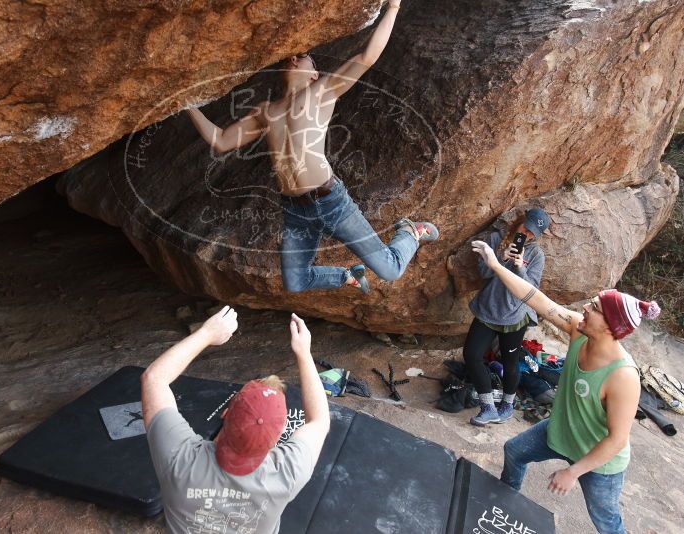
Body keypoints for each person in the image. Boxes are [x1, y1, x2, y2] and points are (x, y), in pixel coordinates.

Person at [186, 0, 438, 294]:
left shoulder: (321, 92)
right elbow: (220, 139)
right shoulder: (265, 111)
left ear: (314, 74)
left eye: (305, 56)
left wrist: (393, 8)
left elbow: (366, 57)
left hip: (331, 201)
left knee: (390, 269)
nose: (295, 57)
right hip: (295, 209)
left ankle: (409, 232)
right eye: (292, 55)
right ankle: (347, 277)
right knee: (295, 282)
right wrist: (186, 104)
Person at [471, 239, 660, 534]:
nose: (585, 307)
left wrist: (574, 471)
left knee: (606, 521)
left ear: (611, 327)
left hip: (597, 459)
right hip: (560, 431)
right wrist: (495, 265)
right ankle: (504, 503)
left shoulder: (623, 377)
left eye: (594, 307)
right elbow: (536, 299)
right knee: (514, 451)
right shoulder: (577, 329)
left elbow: (617, 439)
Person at [141, 306, 329, 534]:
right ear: (280, 435)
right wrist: (304, 353)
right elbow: (319, 420)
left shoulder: (179, 460)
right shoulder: (288, 474)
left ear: (225, 413)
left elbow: (154, 379)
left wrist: (206, 333)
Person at [465, 208, 551, 426]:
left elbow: (531, 290)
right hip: (488, 309)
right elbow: (483, 273)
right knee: (472, 354)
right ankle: (488, 407)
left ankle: (507, 405)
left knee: (510, 362)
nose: (527, 235)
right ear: (520, 222)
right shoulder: (496, 239)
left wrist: (520, 266)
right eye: (526, 228)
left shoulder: (536, 255)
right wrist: (500, 258)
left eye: (533, 234)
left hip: (515, 315)